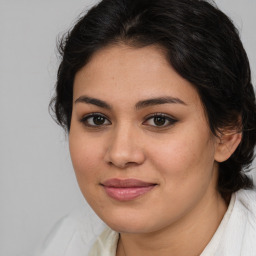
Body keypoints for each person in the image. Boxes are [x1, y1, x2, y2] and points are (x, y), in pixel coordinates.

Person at [39, 0, 256, 255]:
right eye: (97, 119)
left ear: (227, 134)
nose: (120, 154)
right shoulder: (66, 241)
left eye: (159, 120)